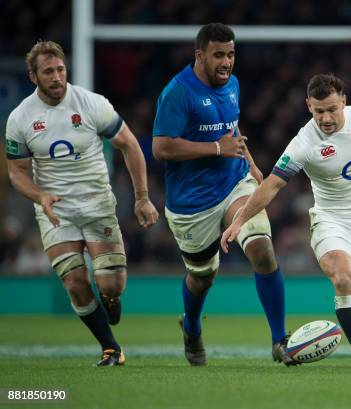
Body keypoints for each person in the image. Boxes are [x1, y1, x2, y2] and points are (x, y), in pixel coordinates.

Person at [221, 73, 351, 372]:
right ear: (308, 106)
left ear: (344, 101)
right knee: (343, 277)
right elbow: (272, 186)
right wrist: (239, 221)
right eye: (319, 111)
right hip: (331, 221)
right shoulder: (304, 143)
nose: (326, 118)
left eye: (332, 109)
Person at [5, 41, 159, 366]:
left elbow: (129, 145)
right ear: (33, 76)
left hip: (97, 203)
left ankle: (110, 297)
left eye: (60, 69)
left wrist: (142, 198)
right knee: (75, 283)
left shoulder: (91, 104)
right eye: (48, 72)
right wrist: (39, 195)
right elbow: (16, 172)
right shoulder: (20, 118)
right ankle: (110, 348)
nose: (57, 77)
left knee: (111, 284)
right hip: (55, 210)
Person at [152, 23, 291, 366]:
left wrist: (252, 164)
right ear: (199, 55)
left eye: (230, 54)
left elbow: (232, 128)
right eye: (219, 55)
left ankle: (279, 340)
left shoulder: (233, 84)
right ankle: (193, 326)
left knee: (261, 248)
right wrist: (216, 148)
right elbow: (161, 147)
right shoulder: (177, 93)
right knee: (202, 277)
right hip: (192, 204)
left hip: (234, 184)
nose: (226, 62)